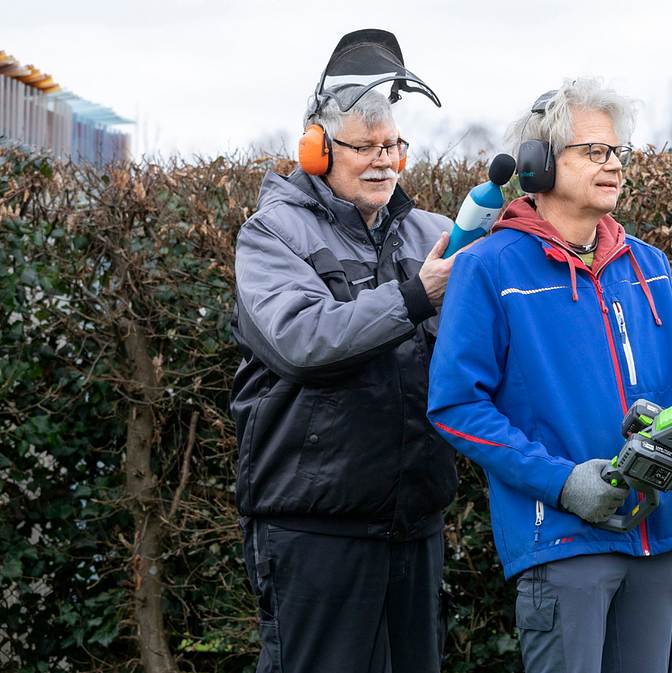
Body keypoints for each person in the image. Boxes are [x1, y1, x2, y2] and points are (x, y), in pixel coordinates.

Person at [427, 78, 672, 673]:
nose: (614, 164)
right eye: (595, 151)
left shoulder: (648, 265)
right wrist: (564, 484)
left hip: (659, 536)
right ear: (539, 166)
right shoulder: (489, 269)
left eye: (618, 152)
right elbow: (457, 404)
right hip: (564, 544)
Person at [230, 30, 460, 673]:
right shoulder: (272, 234)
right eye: (366, 147)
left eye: (394, 145)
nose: (385, 160)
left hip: (415, 527)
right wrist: (418, 296)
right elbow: (303, 341)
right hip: (315, 532)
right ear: (317, 148)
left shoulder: (434, 234)